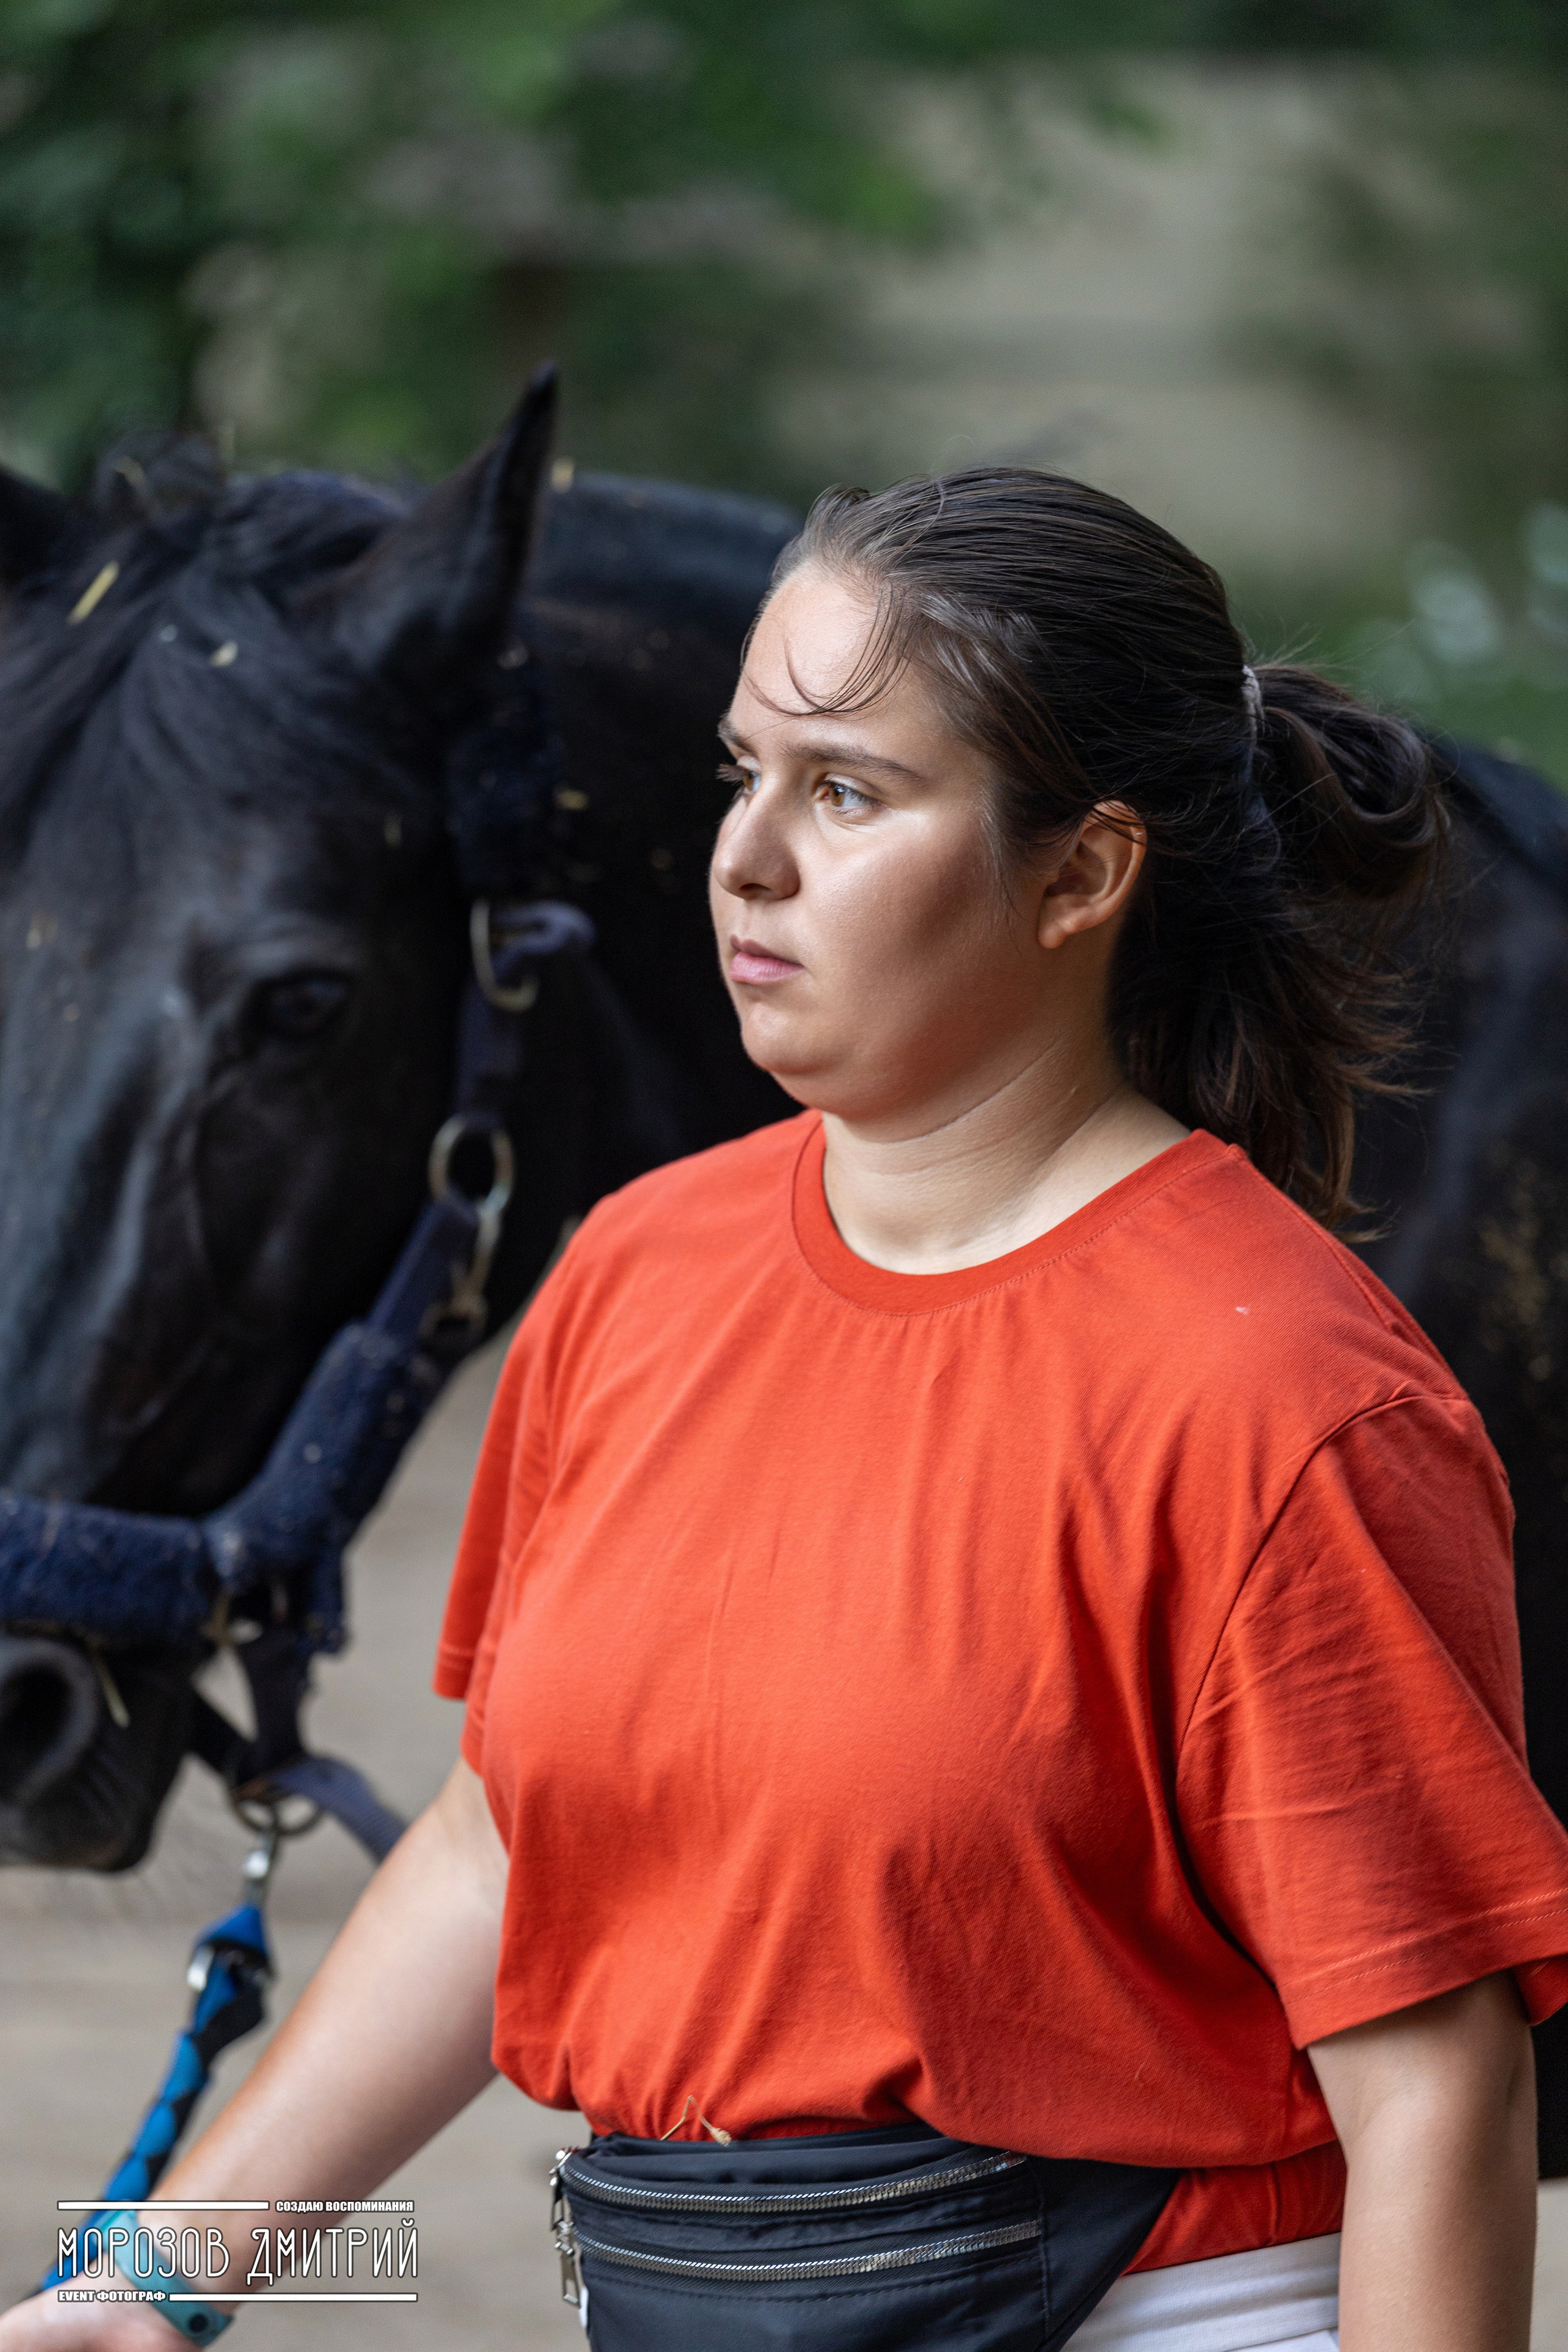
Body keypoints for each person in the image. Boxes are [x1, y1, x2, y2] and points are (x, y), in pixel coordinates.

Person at [11, 466, 1568, 2352]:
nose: (744, 858)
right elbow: (517, 1842)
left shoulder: (1283, 1396)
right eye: (744, 774)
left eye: (845, 790)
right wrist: (153, 2285)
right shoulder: (635, 1277)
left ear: (1082, 873)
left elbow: (1435, 2087)